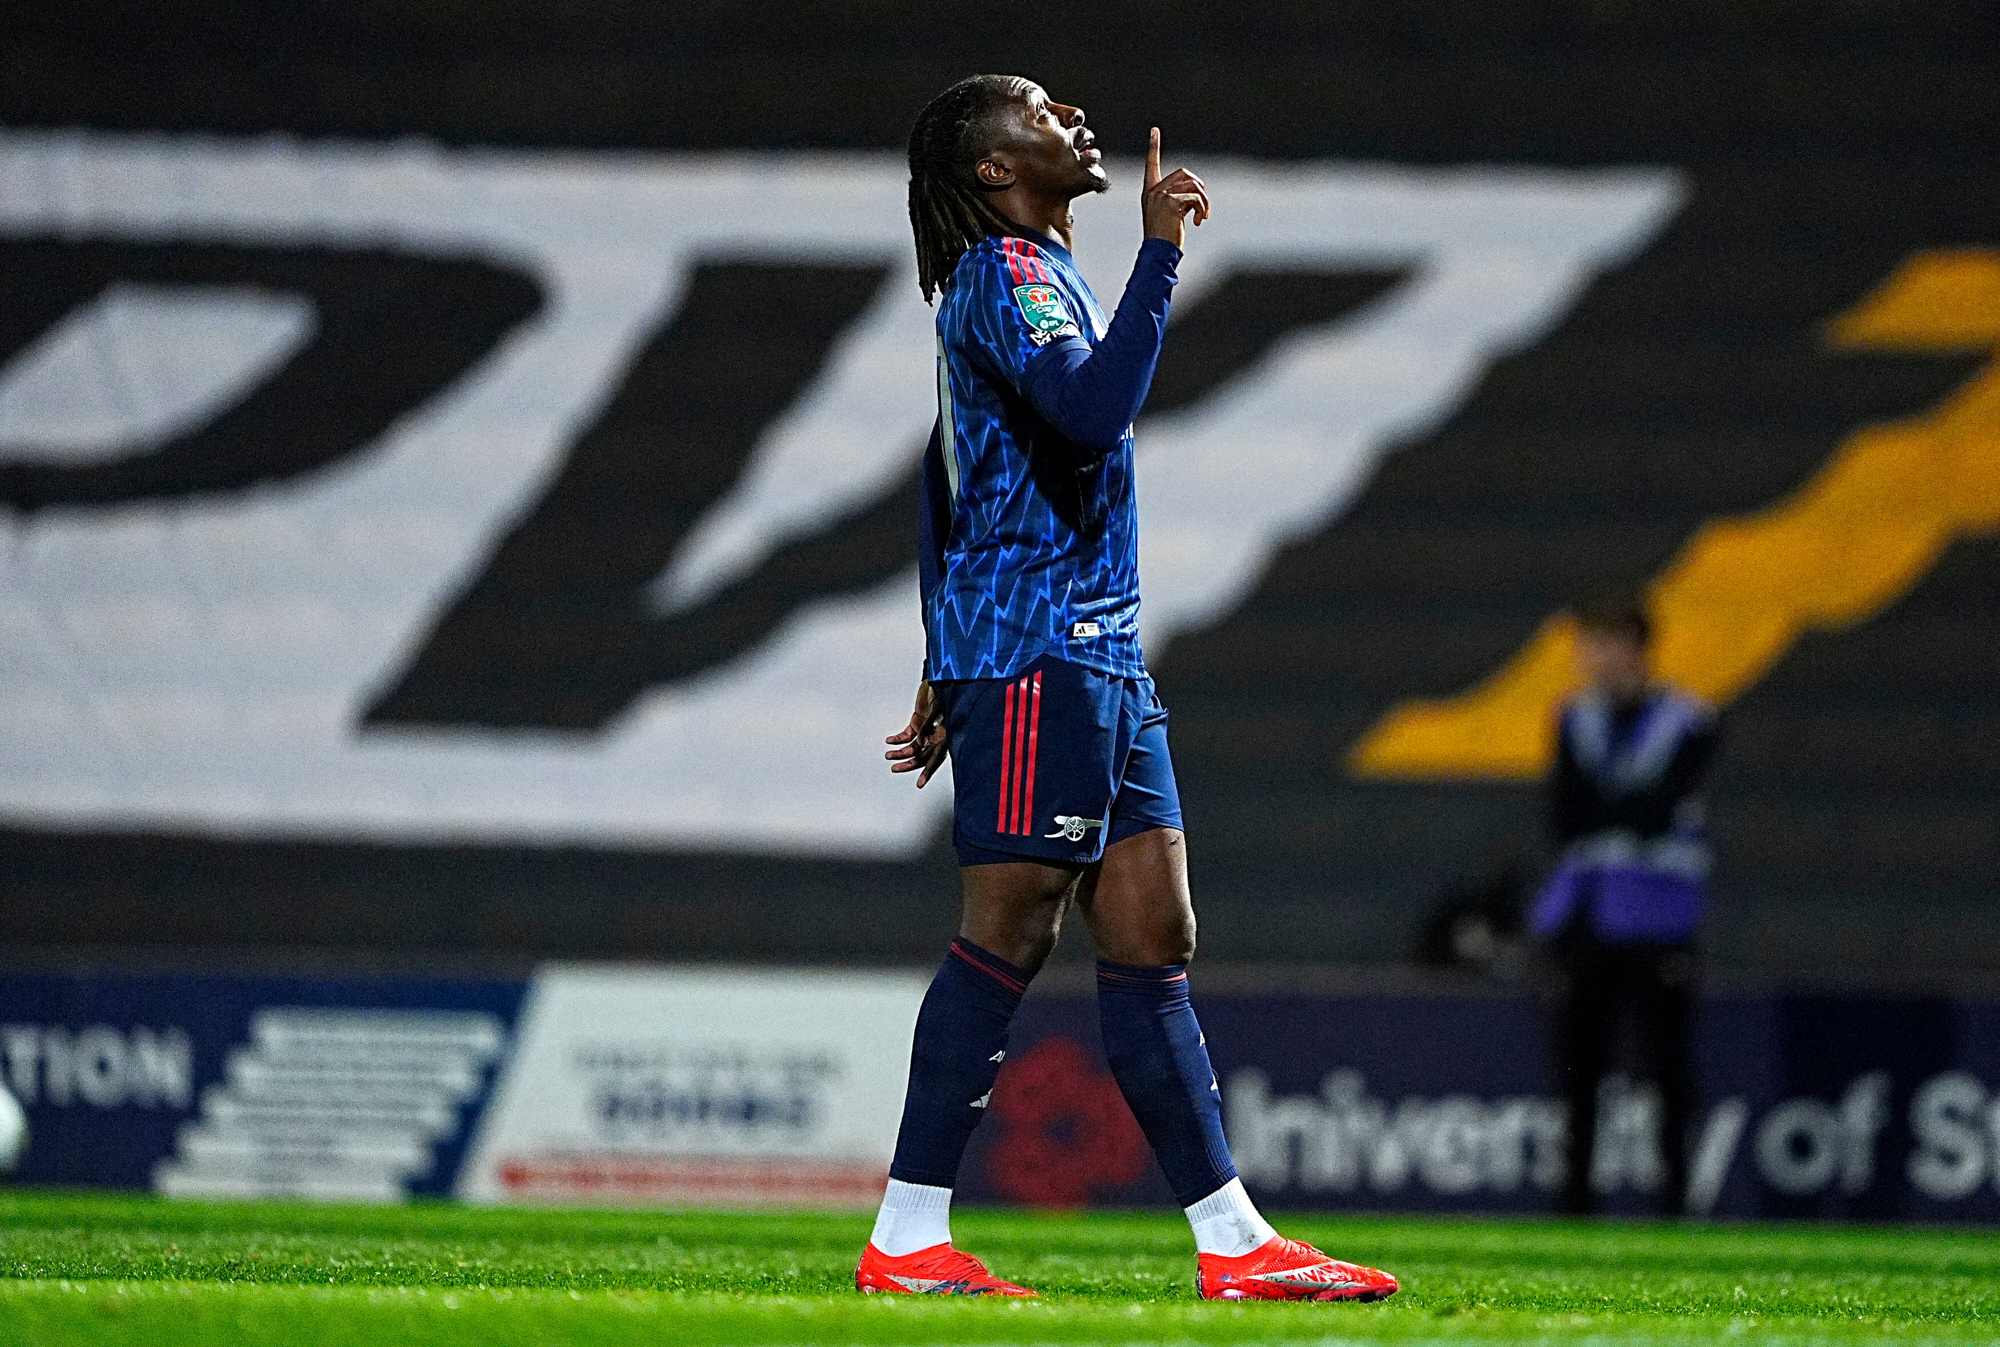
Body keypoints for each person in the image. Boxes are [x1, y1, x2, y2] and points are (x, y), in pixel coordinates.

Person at [857, 75, 1397, 1303]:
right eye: (1039, 117)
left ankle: (1233, 1243)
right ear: (992, 171)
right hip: (1041, 650)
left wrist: (942, 646)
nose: (1072, 125)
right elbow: (1093, 417)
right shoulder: (1006, 274)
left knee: (1154, 930)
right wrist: (1160, 260)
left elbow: (942, 482)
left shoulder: (1027, 278)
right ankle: (905, 1236)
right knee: (1010, 928)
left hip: (1092, 650)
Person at [1530, 596, 1719, 1217]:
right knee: (1580, 1067)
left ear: (1637, 648)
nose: (1592, 659)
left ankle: (1676, 1202)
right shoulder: (1573, 719)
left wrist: (1613, 813)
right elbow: (1565, 815)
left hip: (1660, 920)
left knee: (1666, 1067)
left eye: (1603, 643)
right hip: (1590, 917)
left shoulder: (1688, 719)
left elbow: (1656, 807)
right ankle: (1575, 1201)